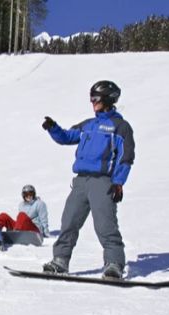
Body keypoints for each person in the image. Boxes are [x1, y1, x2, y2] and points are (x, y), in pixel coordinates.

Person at [41, 80, 135, 279]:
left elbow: (126, 158)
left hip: (103, 182)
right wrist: (53, 128)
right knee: (69, 222)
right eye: (91, 98)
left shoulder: (120, 127)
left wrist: (118, 182)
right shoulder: (88, 125)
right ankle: (60, 261)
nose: (92, 102)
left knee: (105, 225)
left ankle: (114, 264)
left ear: (108, 99)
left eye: (96, 98)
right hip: (81, 182)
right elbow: (67, 137)